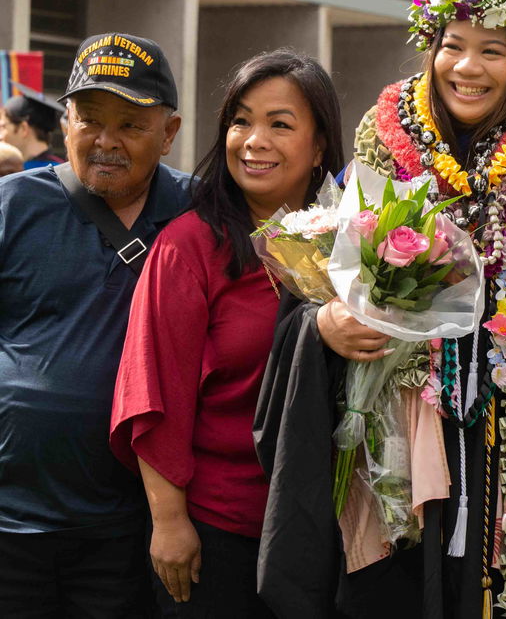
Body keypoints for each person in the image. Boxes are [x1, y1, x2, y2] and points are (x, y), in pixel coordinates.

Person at [256, 0, 506, 619]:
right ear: (429, 48)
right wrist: (326, 324)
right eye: (452, 45)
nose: (467, 67)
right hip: (396, 439)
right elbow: (333, 292)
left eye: (492, 51)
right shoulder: (380, 153)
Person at [109, 50, 351, 617]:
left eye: (280, 124)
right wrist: (169, 523)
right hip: (221, 531)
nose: (253, 140)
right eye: (240, 121)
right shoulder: (190, 246)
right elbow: (154, 391)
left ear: (319, 147)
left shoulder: (357, 246)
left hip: (334, 528)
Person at [0, 32, 189, 617]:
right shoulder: (12, 204)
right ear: (64, 123)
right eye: (89, 120)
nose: (106, 141)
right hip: (10, 526)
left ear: (169, 132)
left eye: (131, 124)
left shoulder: (200, 214)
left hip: (132, 531)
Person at [0, 93, 65, 168]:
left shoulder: (11, 172)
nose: (0, 136)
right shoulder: (61, 170)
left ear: (23, 128)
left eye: (3, 127)